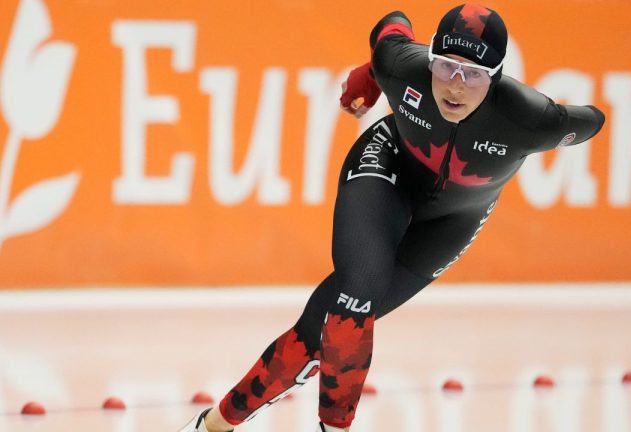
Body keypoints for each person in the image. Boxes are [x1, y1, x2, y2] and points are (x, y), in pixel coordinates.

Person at [179, 3, 605, 432]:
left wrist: (567, 118)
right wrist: (372, 69)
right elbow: (393, 21)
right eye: (446, 67)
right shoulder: (401, 66)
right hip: (386, 169)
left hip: (453, 220)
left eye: (473, 74)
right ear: (431, 57)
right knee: (354, 300)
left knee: (317, 331)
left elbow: (593, 120)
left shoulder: (531, 119)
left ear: (495, 76)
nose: (455, 86)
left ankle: (211, 426)